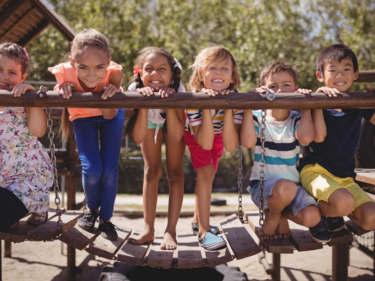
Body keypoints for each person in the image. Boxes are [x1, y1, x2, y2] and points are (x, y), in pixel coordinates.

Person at [227, 61, 325, 242]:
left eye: (286, 85)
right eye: (273, 86)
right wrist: (249, 105)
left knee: (313, 217)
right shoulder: (257, 117)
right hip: (262, 188)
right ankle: (273, 214)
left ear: (296, 88)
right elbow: (248, 142)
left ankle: (279, 214)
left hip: (292, 188)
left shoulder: (296, 118)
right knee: (285, 187)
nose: (279, 91)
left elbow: (305, 138)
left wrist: (305, 107)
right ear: (263, 89)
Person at [49, 29, 124, 241]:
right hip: (82, 117)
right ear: (72, 63)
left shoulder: (115, 74)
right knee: (92, 170)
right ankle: (91, 210)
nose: (92, 74)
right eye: (83, 67)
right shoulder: (64, 73)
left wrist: (110, 94)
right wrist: (63, 87)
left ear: (108, 62)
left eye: (100, 67)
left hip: (110, 116)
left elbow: (110, 114)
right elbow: (62, 90)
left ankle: (106, 220)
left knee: (109, 172)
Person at [299, 44, 375, 235]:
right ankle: (321, 209)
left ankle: (335, 209)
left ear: (355, 74)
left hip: (345, 178)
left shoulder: (358, 102)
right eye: (333, 70)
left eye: (346, 69)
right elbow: (319, 136)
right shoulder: (318, 100)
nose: (340, 75)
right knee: (343, 202)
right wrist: (319, 102)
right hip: (316, 172)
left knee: (371, 218)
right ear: (321, 76)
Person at [125, 47, 185, 250]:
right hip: (148, 121)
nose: (155, 74)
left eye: (162, 69)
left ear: (171, 74)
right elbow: (138, 136)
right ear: (140, 73)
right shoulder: (134, 91)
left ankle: (171, 230)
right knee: (151, 171)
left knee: (175, 173)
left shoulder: (180, 91)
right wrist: (143, 101)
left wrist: (171, 101)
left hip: (172, 120)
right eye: (149, 69)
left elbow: (176, 135)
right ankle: (148, 230)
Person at [185, 46, 242, 250]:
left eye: (225, 69)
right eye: (212, 67)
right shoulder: (194, 99)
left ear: (232, 76)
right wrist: (208, 105)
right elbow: (204, 142)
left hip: (219, 134)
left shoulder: (236, 100)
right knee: (206, 173)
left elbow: (230, 145)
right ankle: (203, 231)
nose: (219, 72)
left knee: (210, 175)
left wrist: (226, 105)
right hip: (197, 134)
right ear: (201, 75)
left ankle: (196, 220)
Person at [0, 42, 53, 229]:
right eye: (0, 70)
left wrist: (31, 98)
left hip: (24, 182)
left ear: (23, 77)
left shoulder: (23, 101)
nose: (4, 77)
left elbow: (38, 131)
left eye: (12, 73)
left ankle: (35, 206)